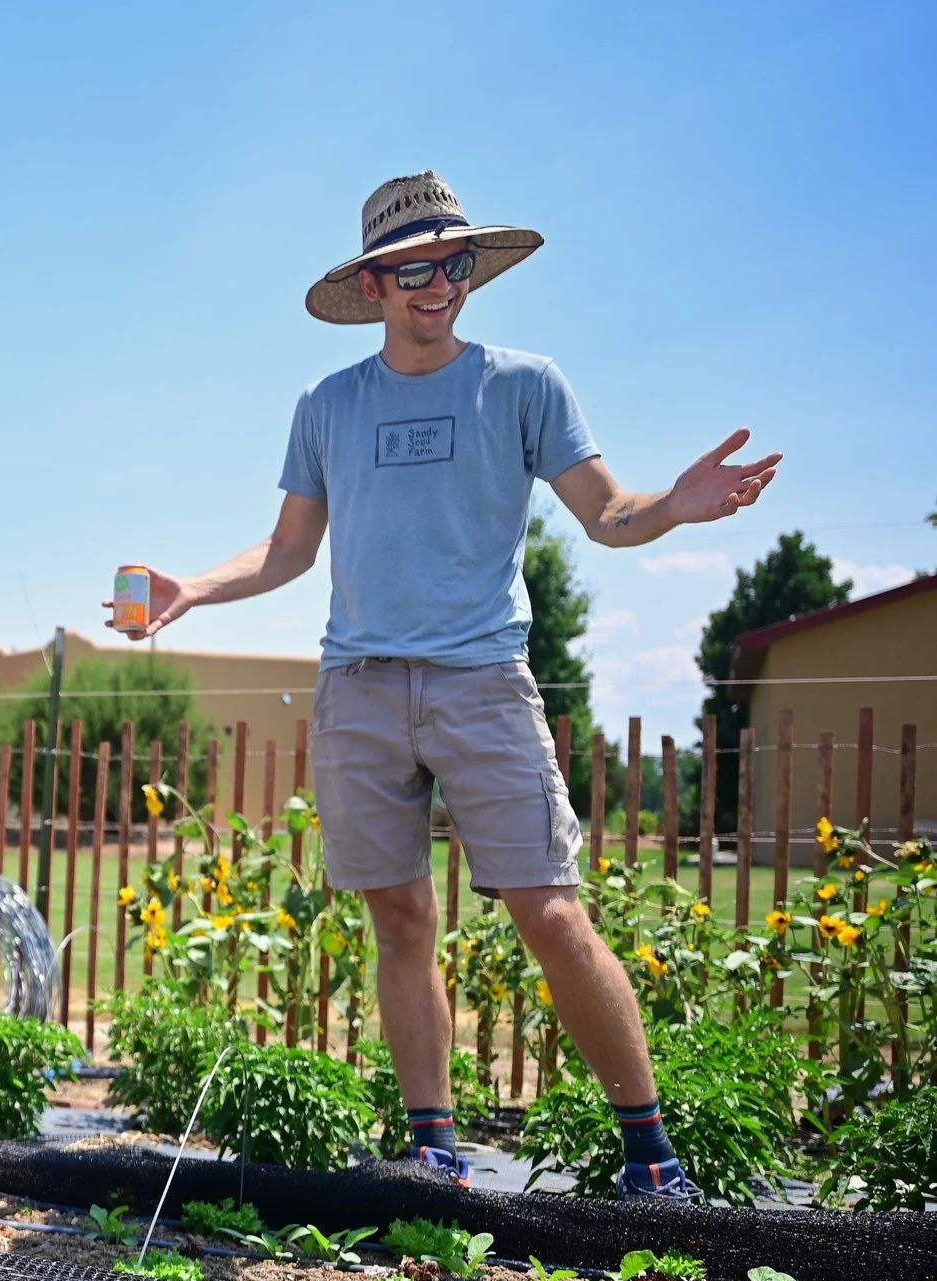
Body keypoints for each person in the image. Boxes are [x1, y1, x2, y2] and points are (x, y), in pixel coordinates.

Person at [132, 172, 778, 1200]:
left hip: (482, 683)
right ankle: (434, 1148)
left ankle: (650, 1155)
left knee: (549, 912)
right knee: (399, 916)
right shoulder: (328, 404)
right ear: (375, 283)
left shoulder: (524, 385)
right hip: (359, 688)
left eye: (454, 262)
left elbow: (607, 513)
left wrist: (677, 505)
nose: (437, 284)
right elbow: (290, 549)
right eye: (413, 268)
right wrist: (190, 588)